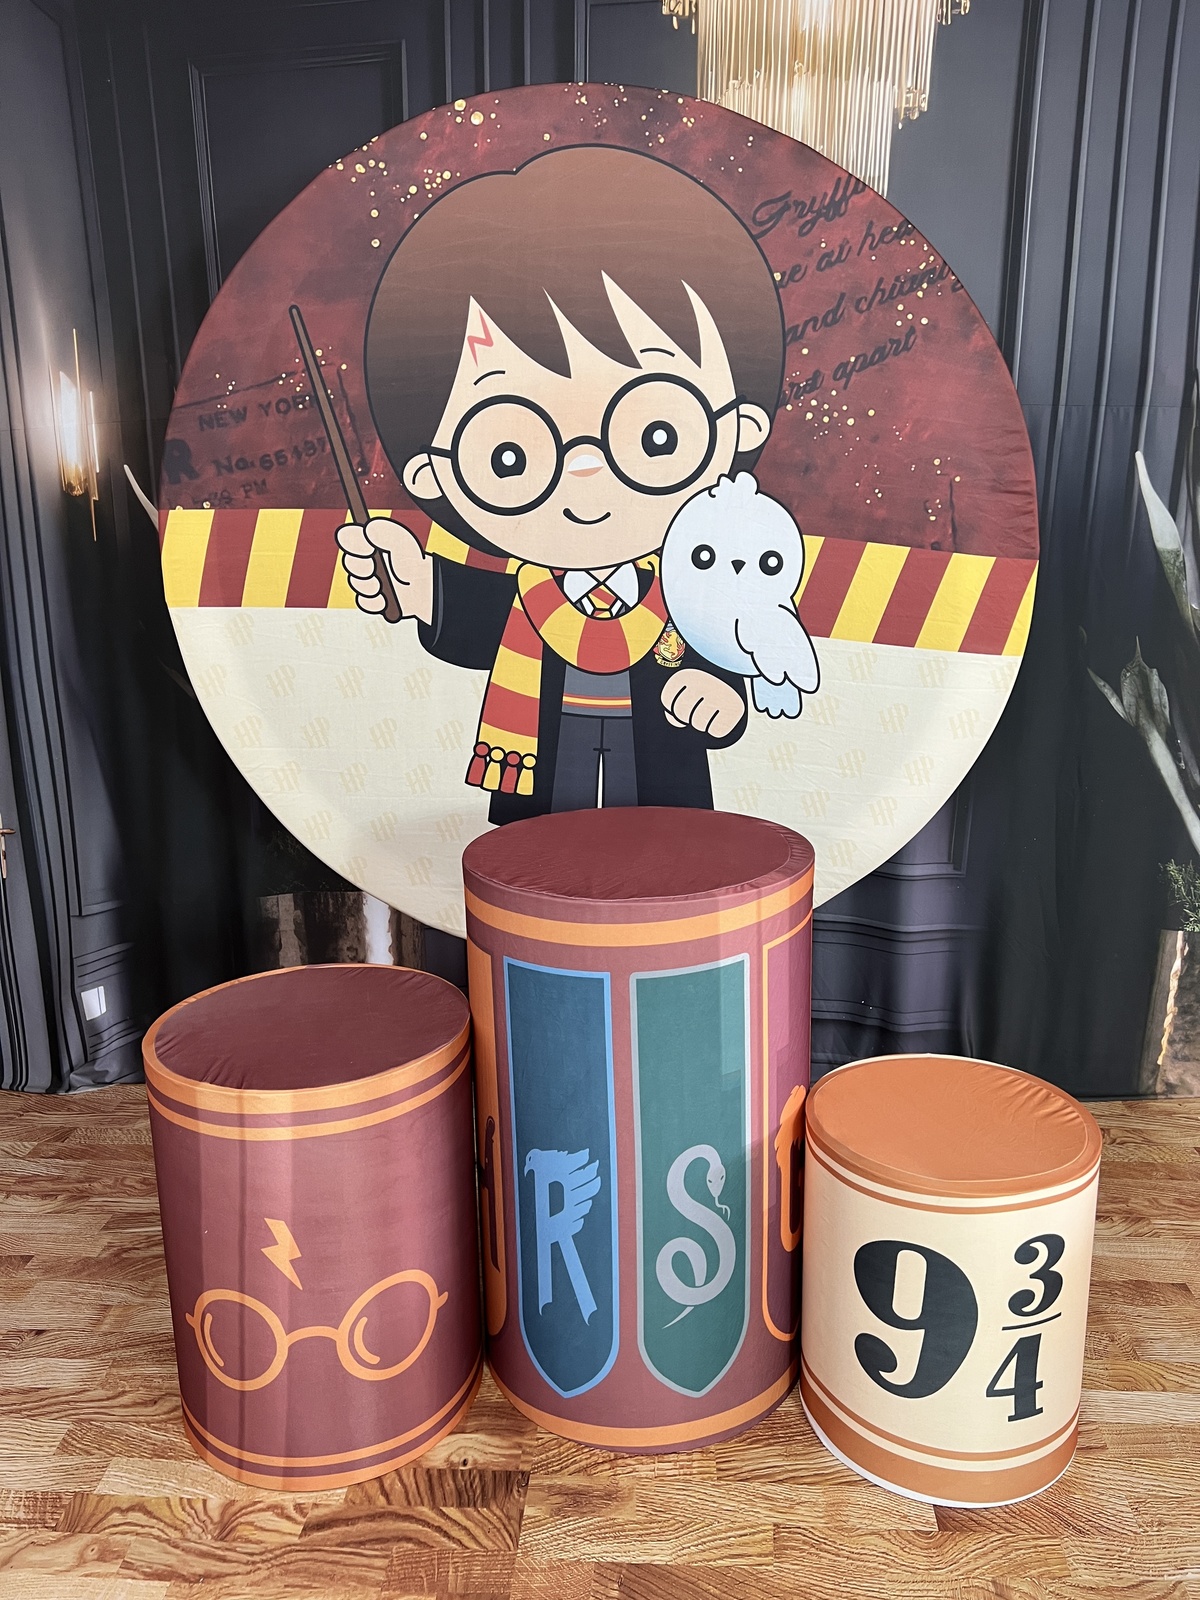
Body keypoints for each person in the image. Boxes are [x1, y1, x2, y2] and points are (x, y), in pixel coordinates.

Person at [338, 143, 785, 823]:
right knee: (538, 855)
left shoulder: (696, 583)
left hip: (661, 773)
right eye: (510, 455)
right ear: (434, 474)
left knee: (661, 846)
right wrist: (417, 583)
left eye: (655, 435)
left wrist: (721, 699)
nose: (586, 470)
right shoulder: (526, 599)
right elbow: (478, 615)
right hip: (542, 760)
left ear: (740, 428)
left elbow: (721, 637)